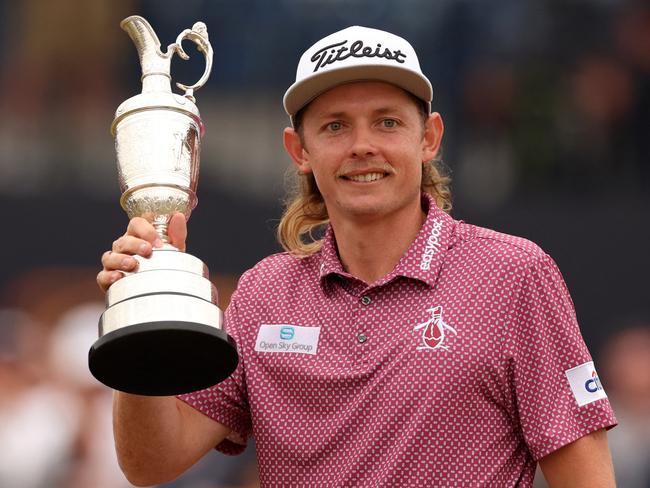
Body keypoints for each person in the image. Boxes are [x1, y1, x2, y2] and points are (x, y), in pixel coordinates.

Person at [97, 26, 617, 487]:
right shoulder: (263, 294)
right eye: (335, 126)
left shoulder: (513, 274)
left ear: (429, 137)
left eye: (387, 122)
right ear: (299, 151)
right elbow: (150, 464)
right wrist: (143, 311)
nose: (362, 145)